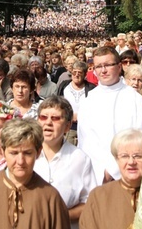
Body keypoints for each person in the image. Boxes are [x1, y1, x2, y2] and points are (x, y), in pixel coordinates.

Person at [0, 118, 70, 229]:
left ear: (38, 152)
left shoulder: (50, 198)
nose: (20, 161)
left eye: (27, 153)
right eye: (14, 153)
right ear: (3, 151)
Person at [77, 47, 142, 185]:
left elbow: (141, 140)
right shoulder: (88, 100)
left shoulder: (135, 99)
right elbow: (84, 141)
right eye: (98, 66)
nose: (103, 70)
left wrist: (112, 170)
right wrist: (98, 172)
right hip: (93, 175)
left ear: (119, 66)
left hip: (126, 174)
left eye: (108, 65)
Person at [34, 96, 97, 229]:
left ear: (68, 126)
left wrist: (61, 216)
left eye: (56, 118)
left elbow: (90, 202)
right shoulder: (26, 155)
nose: (48, 123)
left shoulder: (80, 159)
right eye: (43, 117)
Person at [79, 128, 142, 229]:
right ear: (117, 159)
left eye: (138, 156)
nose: (131, 162)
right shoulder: (99, 196)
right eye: (124, 156)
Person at [57, 61, 96, 145]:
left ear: (85, 74)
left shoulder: (92, 88)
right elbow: (58, 105)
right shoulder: (64, 86)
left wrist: (81, 115)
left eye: (80, 72)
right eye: (74, 72)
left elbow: (95, 109)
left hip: (85, 128)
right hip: (68, 127)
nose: (76, 75)